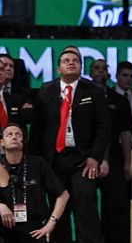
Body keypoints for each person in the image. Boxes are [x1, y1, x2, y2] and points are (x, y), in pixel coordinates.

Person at [29, 46, 110, 243]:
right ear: (58, 68)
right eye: (66, 60)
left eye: (75, 60)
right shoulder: (46, 90)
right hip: (53, 161)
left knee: (85, 209)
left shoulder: (94, 90)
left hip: (83, 160)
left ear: (81, 67)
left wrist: (95, 157)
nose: (71, 62)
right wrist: (34, 163)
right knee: (58, 211)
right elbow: (38, 130)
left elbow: (103, 127)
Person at [0, 123, 70, 242]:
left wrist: (51, 223)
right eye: (9, 134)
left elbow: (63, 195)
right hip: (5, 229)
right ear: (1, 142)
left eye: (18, 134)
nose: (14, 137)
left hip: (36, 229)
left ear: (23, 141)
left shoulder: (38, 164)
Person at [89, 58, 132, 243]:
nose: (101, 72)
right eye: (96, 69)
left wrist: (128, 162)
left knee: (116, 207)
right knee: (87, 207)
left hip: (114, 160)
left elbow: (125, 134)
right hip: (87, 159)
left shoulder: (119, 100)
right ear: (90, 73)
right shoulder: (82, 97)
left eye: (104, 69)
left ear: (109, 73)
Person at [113, 61, 132, 145]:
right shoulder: (109, 96)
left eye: (131, 76)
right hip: (115, 147)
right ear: (116, 76)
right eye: (125, 75)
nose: (128, 79)